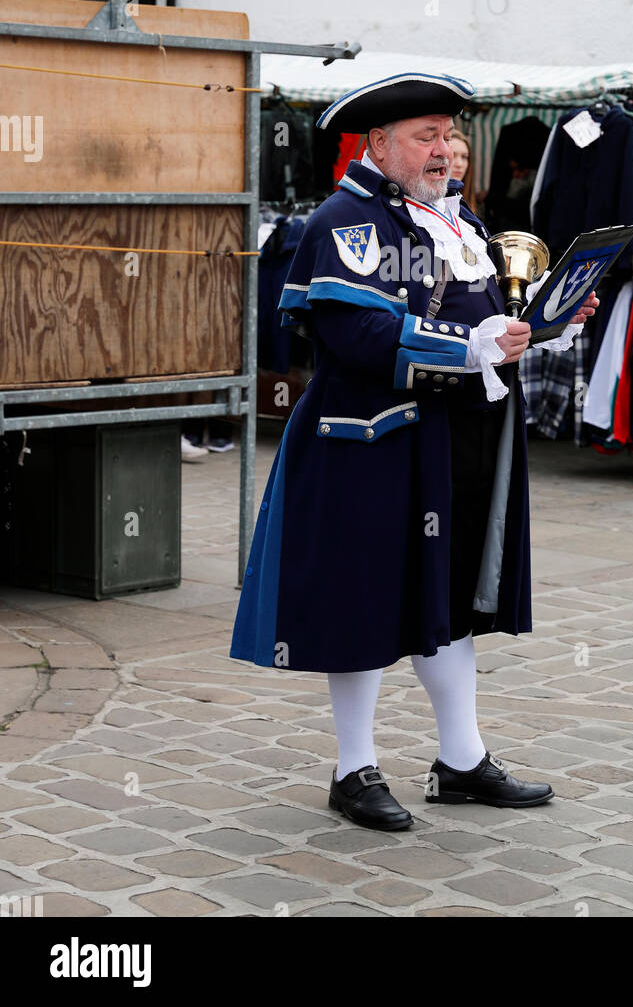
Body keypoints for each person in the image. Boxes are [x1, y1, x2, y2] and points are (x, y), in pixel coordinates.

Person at [229, 72, 597, 831]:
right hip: (372, 439)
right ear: (380, 144)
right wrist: (468, 350)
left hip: (458, 436)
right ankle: (351, 768)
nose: (447, 151)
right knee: (364, 597)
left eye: (451, 135)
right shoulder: (348, 219)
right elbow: (354, 336)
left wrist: (548, 319)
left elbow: (492, 327)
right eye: (427, 136)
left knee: (451, 596)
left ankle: (461, 760)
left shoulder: (459, 223)